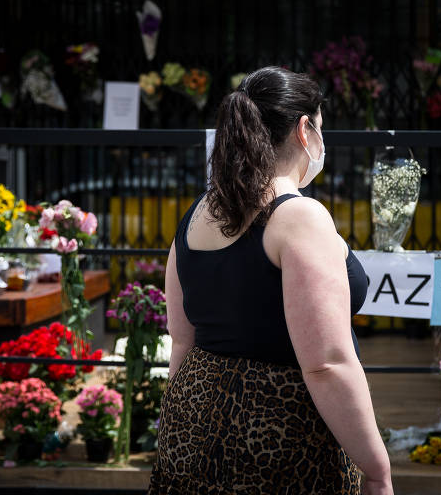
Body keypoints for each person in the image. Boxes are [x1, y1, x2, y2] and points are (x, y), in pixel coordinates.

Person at [148, 66, 393, 495]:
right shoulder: (299, 216)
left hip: (191, 424)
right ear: (305, 130)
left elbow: (182, 339)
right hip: (278, 435)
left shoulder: (197, 212)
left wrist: (180, 430)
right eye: (321, 126)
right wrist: (377, 469)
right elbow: (326, 365)